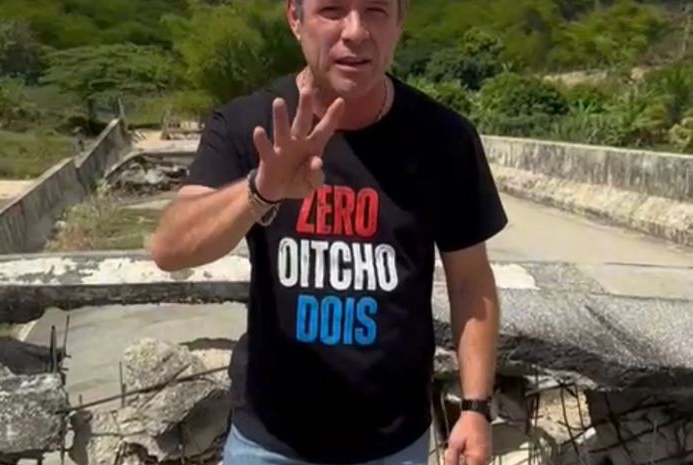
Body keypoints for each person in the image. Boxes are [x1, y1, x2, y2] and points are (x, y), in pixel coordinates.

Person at [150, 0, 508, 464]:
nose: (355, 31)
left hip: (394, 444)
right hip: (268, 442)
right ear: (295, 18)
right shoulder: (249, 124)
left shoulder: (445, 138)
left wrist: (476, 408)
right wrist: (262, 189)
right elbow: (171, 249)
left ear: (400, 21)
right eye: (332, 10)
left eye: (375, 10)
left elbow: (470, 281)